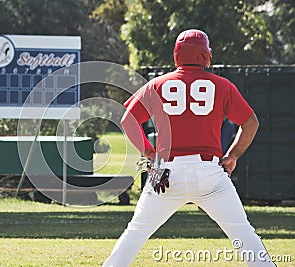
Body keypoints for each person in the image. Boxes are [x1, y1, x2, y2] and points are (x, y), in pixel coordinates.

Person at [103, 29, 275, 266]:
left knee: (136, 231)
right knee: (243, 233)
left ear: (177, 55)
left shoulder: (157, 84)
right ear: (205, 55)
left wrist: (149, 153)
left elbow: (127, 120)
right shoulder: (222, 85)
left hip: (167, 173)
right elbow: (250, 122)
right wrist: (233, 155)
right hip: (209, 173)